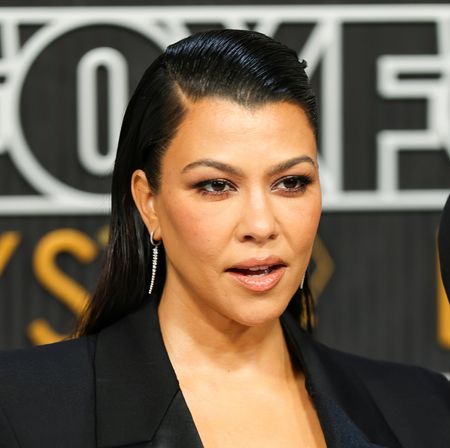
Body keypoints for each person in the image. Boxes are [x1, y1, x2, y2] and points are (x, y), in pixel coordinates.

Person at [0, 29, 449, 448]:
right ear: (148, 201)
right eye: (216, 185)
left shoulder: (421, 408)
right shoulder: (22, 407)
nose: (260, 224)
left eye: (290, 182)